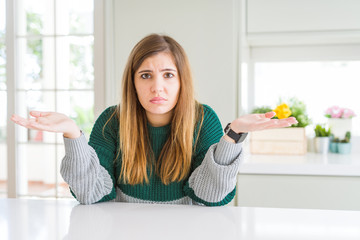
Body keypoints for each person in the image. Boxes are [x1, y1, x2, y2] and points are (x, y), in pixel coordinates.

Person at [11, 34, 298, 206]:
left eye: (168, 75)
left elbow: (210, 197)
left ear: (181, 80)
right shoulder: (112, 121)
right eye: (146, 75)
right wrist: (73, 135)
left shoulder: (203, 119)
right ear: (133, 82)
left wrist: (232, 136)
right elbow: (91, 194)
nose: (157, 87)